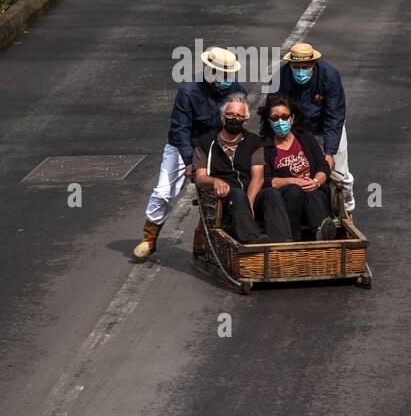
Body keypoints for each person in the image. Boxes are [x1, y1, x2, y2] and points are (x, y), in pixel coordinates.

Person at [132, 46, 246, 261]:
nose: (226, 79)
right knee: (164, 192)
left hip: (217, 146)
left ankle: (204, 241)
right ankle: (149, 238)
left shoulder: (236, 91)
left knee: (218, 193)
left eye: (229, 74)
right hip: (183, 146)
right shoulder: (189, 91)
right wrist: (189, 161)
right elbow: (180, 128)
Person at [193, 97, 292, 245]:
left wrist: (249, 203)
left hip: (249, 196)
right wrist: (214, 181)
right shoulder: (206, 142)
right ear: (222, 117)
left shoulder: (254, 142)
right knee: (237, 194)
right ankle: (253, 241)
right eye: (230, 115)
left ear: (245, 121)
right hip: (224, 198)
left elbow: (257, 177)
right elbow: (200, 177)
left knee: (272, 193)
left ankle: (283, 242)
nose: (234, 119)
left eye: (239, 116)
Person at [274, 41, 355, 213]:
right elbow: (273, 112)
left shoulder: (329, 75)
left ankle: (346, 211)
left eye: (305, 66)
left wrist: (329, 152)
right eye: (296, 66)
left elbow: (335, 115)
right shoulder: (279, 78)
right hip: (296, 130)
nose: (300, 70)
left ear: (313, 64)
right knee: (301, 171)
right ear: (290, 64)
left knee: (340, 176)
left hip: (326, 128)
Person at [258, 95, 338, 241]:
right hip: (286, 197)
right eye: (275, 118)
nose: (280, 121)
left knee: (313, 194)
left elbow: (323, 166)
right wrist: (292, 181)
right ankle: (294, 239)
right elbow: (266, 180)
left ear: (292, 118)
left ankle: (322, 234)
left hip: (313, 190)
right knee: (295, 191)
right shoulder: (264, 147)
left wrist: (316, 182)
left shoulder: (305, 138)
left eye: (284, 117)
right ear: (269, 121)